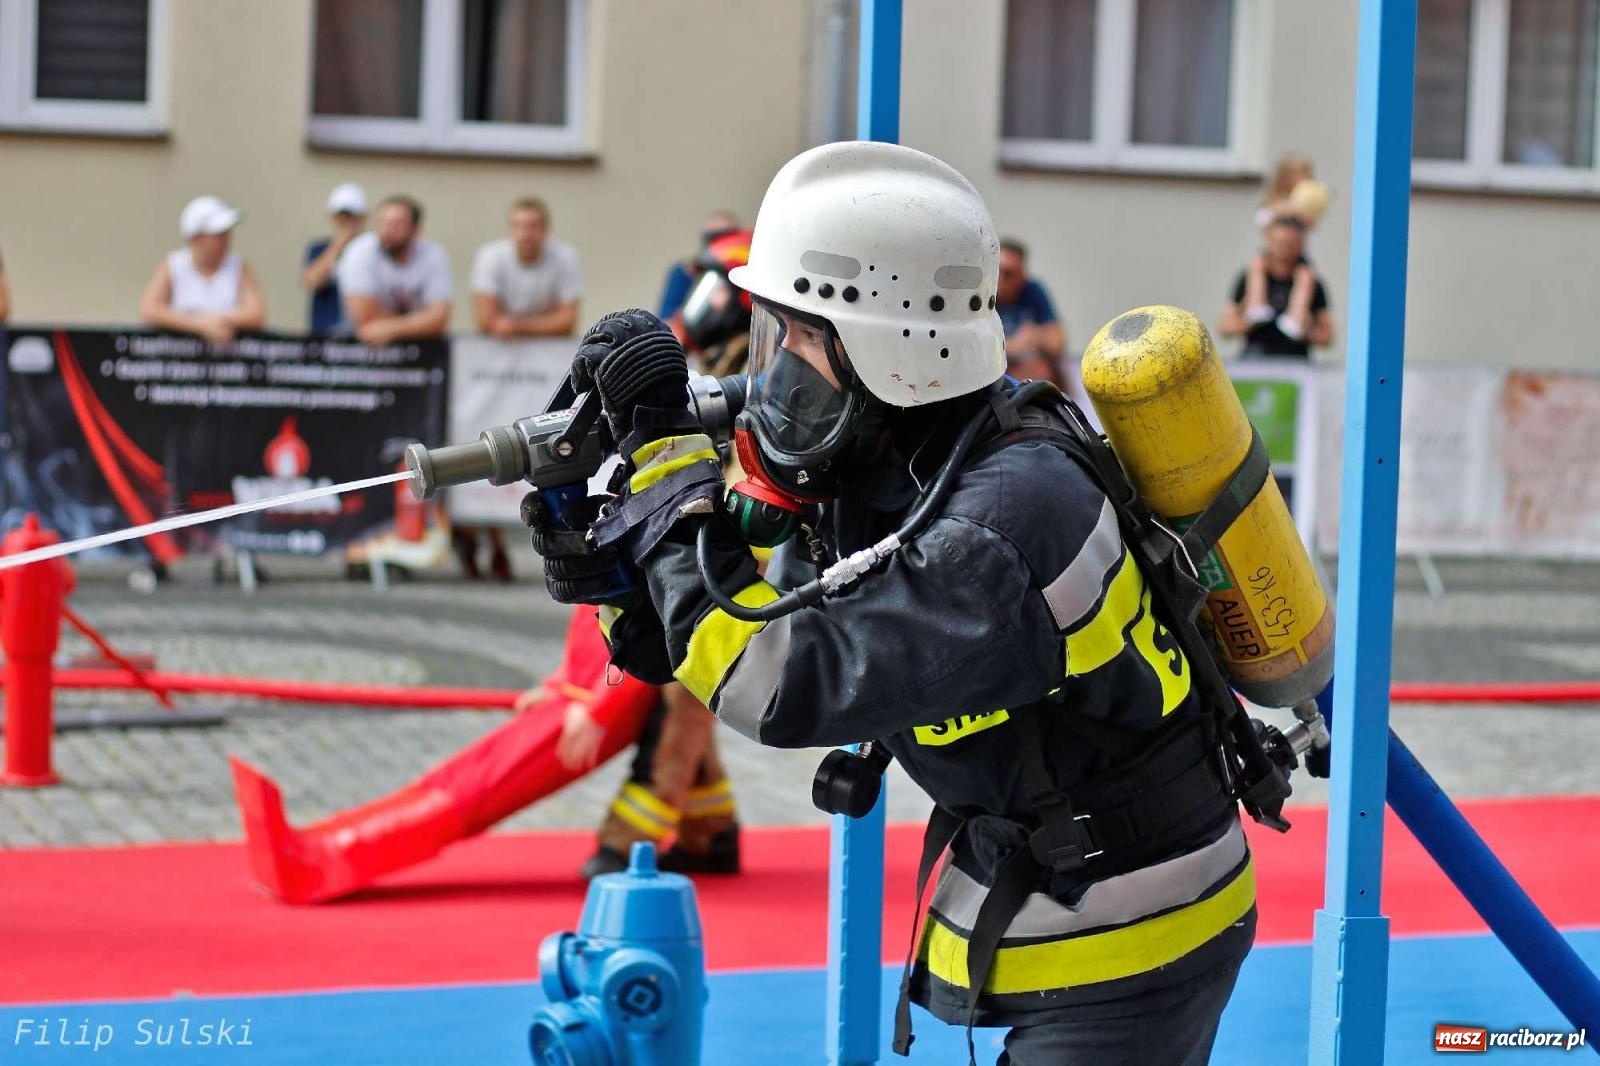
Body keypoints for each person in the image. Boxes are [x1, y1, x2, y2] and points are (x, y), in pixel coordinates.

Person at [526, 142, 1259, 1065]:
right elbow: (719, 625)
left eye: (797, 336)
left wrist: (671, 486)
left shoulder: (1004, 521)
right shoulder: (904, 456)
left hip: (1135, 930)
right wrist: (614, 568)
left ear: (889, 343)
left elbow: (777, 685)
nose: (774, 367)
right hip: (1056, 887)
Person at [553, 229, 758, 881]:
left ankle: (622, 842)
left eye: (714, 289)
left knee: (687, 695)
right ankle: (713, 828)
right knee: (690, 681)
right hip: (697, 531)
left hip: (737, 543)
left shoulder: (751, 370)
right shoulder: (716, 361)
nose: (701, 305)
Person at [139, 196, 267, 345]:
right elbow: (149, 309)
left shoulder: (240, 268)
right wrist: (199, 325)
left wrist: (217, 321)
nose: (226, 240)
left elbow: (256, 313)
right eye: (219, 235)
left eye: (227, 234)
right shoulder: (174, 266)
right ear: (196, 238)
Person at [337, 195, 453, 347]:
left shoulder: (434, 255)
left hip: (420, 352)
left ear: (416, 230)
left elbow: (439, 319)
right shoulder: (359, 252)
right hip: (356, 350)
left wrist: (389, 328)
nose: (388, 230)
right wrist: (420, 322)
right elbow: (365, 318)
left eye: (398, 224)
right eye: (383, 222)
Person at [1219, 212, 1334, 358]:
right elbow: (1225, 326)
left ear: (1301, 244)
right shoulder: (1249, 278)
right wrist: (1248, 322)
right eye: (1278, 242)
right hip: (1256, 358)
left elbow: (1327, 335)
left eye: (1290, 244)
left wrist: (1306, 332)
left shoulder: (1311, 283)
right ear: (1268, 241)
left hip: (1295, 365)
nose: (1283, 249)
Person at [470, 197, 583, 339]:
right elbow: (485, 320)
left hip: (549, 350)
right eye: (518, 226)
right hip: (498, 349)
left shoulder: (566, 257)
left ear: (546, 229)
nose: (524, 234)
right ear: (510, 229)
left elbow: (568, 322)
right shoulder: (489, 256)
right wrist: (547, 323)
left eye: (532, 226)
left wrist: (515, 326)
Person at [657, 210, 741, 332]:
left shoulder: (741, 277)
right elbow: (666, 320)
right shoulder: (684, 272)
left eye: (727, 236)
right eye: (713, 236)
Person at [995, 239, 1065, 386]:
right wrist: (1016, 344)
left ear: (1021, 275)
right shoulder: (980, 296)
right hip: (997, 373)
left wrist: (1037, 337)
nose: (1000, 279)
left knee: (1043, 370)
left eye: (1009, 274)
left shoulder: (1033, 291)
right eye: (997, 270)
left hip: (1028, 369)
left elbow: (1057, 343)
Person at [302, 182, 368, 336]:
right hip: (325, 334)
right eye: (341, 217)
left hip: (362, 335)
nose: (346, 223)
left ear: (363, 218)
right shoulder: (319, 249)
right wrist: (338, 244)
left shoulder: (371, 250)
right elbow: (312, 281)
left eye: (352, 217)